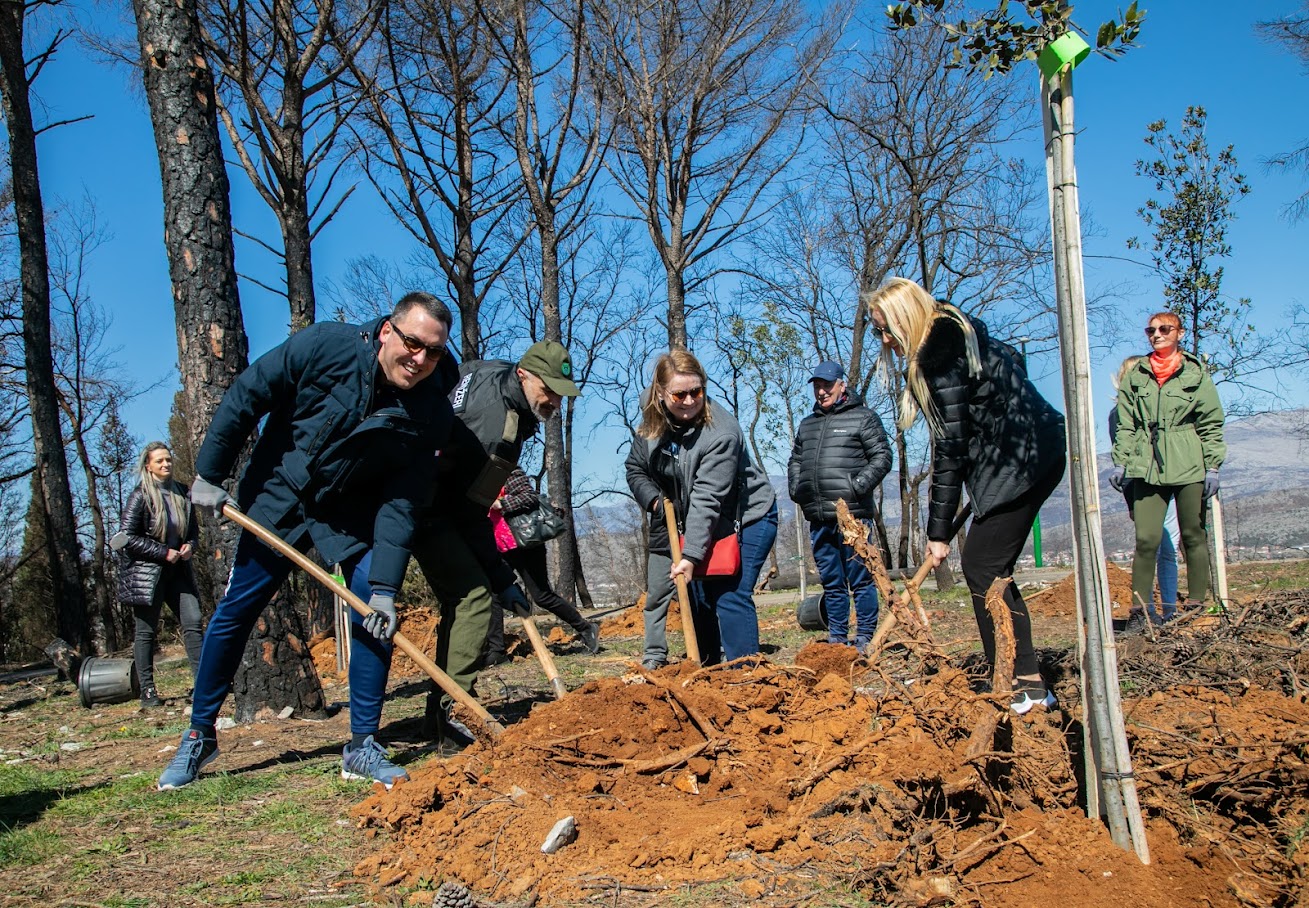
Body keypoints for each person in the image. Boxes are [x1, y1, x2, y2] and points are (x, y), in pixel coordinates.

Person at [157, 292, 457, 791]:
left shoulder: (431, 409)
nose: (420, 359)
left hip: (350, 512)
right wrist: (211, 471)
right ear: (387, 331)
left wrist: (384, 584)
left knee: (375, 613)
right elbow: (249, 393)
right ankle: (199, 733)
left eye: (433, 351)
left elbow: (404, 500)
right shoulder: (327, 346)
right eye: (412, 343)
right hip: (281, 493)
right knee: (237, 610)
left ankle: (362, 745)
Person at [865, 277, 1066, 715]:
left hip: (1022, 460)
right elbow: (1006, 375)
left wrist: (938, 534)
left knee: (981, 564)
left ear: (906, 320)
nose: (884, 340)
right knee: (990, 566)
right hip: (1029, 451)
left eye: (887, 329)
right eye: (878, 330)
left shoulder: (939, 360)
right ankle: (1026, 683)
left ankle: (1017, 686)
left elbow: (949, 450)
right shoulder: (961, 333)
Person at [412, 341, 581, 743]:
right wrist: (499, 575)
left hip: (423, 492)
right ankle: (457, 716)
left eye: (561, 393)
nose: (554, 401)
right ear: (524, 374)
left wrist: (502, 575)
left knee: (463, 600)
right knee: (473, 598)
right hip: (423, 504)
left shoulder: (490, 370)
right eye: (549, 390)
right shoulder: (499, 435)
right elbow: (471, 513)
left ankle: (438, 716)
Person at [625, 350, 778, 666]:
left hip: (747, 516)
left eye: (697, 391)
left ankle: (746, 674)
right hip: (697, 518)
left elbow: (707, 499)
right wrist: (654, 499)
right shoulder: (651, 417)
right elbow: (635, 466)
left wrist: (691, 555)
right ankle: (708, 669)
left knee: (729, 594)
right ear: (661, 393)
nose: (689, 400)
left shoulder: (721, 433)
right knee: (697, 596)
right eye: (679, 393)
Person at [1110, 312, 1226, 616]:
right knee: (1146, 539)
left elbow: (1211, 422)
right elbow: (1126, 424)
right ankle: (1141, 611)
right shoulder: (1137, 376)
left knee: (1192, 534)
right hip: (1147, 464)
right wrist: (1121, 462)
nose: (1156, 334)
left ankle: (1198, 606)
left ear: (1180, 333)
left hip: (1188, 459)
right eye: (1151, 330)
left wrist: (1212, 466)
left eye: (1164, 329)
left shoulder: (1195, 373)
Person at [787, 361, 893, 650]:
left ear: (841, 385)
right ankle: (837, 639)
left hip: (853, 518)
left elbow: (882, 457)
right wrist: (797, 489)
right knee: (832, 582)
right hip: (819, 516)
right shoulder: (808, 424)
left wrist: (856, 488)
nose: (822, 392)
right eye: (817, 386)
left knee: (860, 579)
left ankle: (865, 638)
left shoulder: (863, 418)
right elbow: (795, 460)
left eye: (827, 385)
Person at [114, 442, 202, 707]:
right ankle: (148, 692)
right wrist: (163, 552)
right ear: (148, 466)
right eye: (160, 461)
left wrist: (190, 547)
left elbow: (193, 532)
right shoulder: (140, 496)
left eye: (168, 460)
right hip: (147, 574)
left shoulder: (183, 492)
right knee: (146, 632)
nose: (166, 465)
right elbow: (127, 537)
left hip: (179, 570)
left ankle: (202, 685)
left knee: (194, 622)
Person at [486, 467, 600, 661]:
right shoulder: (481, 479)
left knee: (542, 596)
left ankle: (586, 628)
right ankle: (496, 652)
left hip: (525, 544)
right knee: (493, 593)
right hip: (500, 546)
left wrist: (502, 504)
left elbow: (528, 497)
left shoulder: (508, 471)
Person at [1110, 355, 1183, 624]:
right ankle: (1147, 611)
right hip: (1142, 490)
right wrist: (1131, 501)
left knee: (1169, 550)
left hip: (1169, 487)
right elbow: (1124, 461)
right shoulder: (1119, 415)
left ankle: (1170, 610)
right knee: (1150, 549)